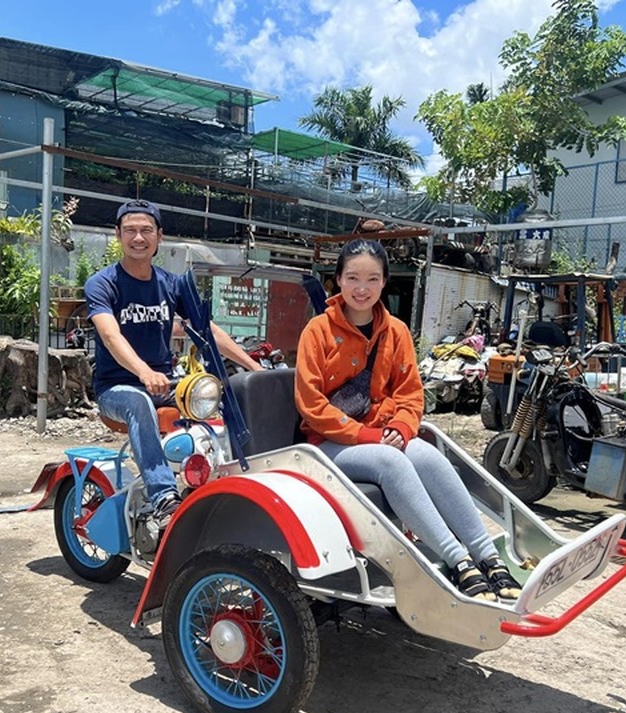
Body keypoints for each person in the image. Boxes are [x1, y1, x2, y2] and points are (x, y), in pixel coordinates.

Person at [294, 238, 522, 601]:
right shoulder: (318, 331)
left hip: (384, 434)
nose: (362, 288)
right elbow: (311, 405)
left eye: (372, 279)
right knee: (391, 461)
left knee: (428, 454)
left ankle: (488, 557)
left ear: (384, 282)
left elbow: (410, 393)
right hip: (329, 443)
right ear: (338, 280)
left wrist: (401, 427)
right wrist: (371, 436)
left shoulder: (396, 331)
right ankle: (458, 560)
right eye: (353, 278)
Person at [85, 199, 261, 530]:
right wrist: (144, 372)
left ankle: (234, 479)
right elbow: (110, 336)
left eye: (146, 230)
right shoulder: (103, 283)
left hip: (163, 384)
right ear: (118, 236)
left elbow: (207, 331)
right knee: (138, 402)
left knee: (222, 391)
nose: (139, 238)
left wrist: (254, 367)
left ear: (159, 236)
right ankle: (164, 497)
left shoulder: (170, 283)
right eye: (131, 231)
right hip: (117, 388)